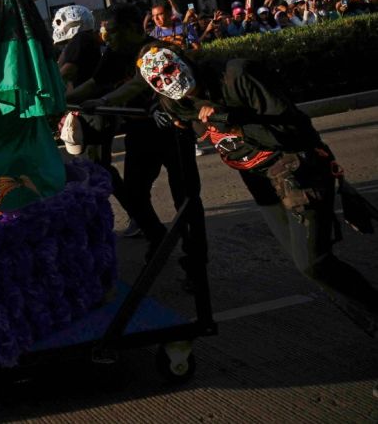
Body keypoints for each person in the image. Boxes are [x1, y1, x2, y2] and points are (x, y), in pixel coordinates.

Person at [139, 46, 378, 335]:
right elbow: (171, 107)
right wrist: (159, 113)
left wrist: (231, 119)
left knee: (314, 264)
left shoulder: (237, 76)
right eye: (159, 80)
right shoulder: (173, 101)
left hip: (296, 168)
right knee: (314, 268)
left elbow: (294, 131)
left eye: (170, 70)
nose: (169, 80)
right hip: (260, 181)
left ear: (183, 61)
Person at [68, 4, 207, 278]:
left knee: (186, 198)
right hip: (140, 133)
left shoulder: (156, 52)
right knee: (133, 193)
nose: (110, 39)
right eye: (106, 34)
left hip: (173, 132)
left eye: (115, 32)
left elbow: (137, 84)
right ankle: (157, 237)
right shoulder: (115, 54)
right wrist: (61, 101)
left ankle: (196, 263)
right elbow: (95, 83)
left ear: (134, 27)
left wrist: (105, 101)